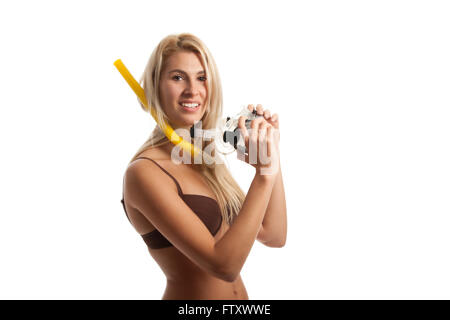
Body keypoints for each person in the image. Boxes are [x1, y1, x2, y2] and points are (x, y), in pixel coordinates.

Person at [121, 33, 287, 300]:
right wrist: (263, 177)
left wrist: (269, 154)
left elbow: (274, 235)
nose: (192, 90)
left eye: (201, 78)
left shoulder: (204, 159)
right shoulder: (144, 173)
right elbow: (224, 265)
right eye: (177, 77)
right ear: (154, 85)